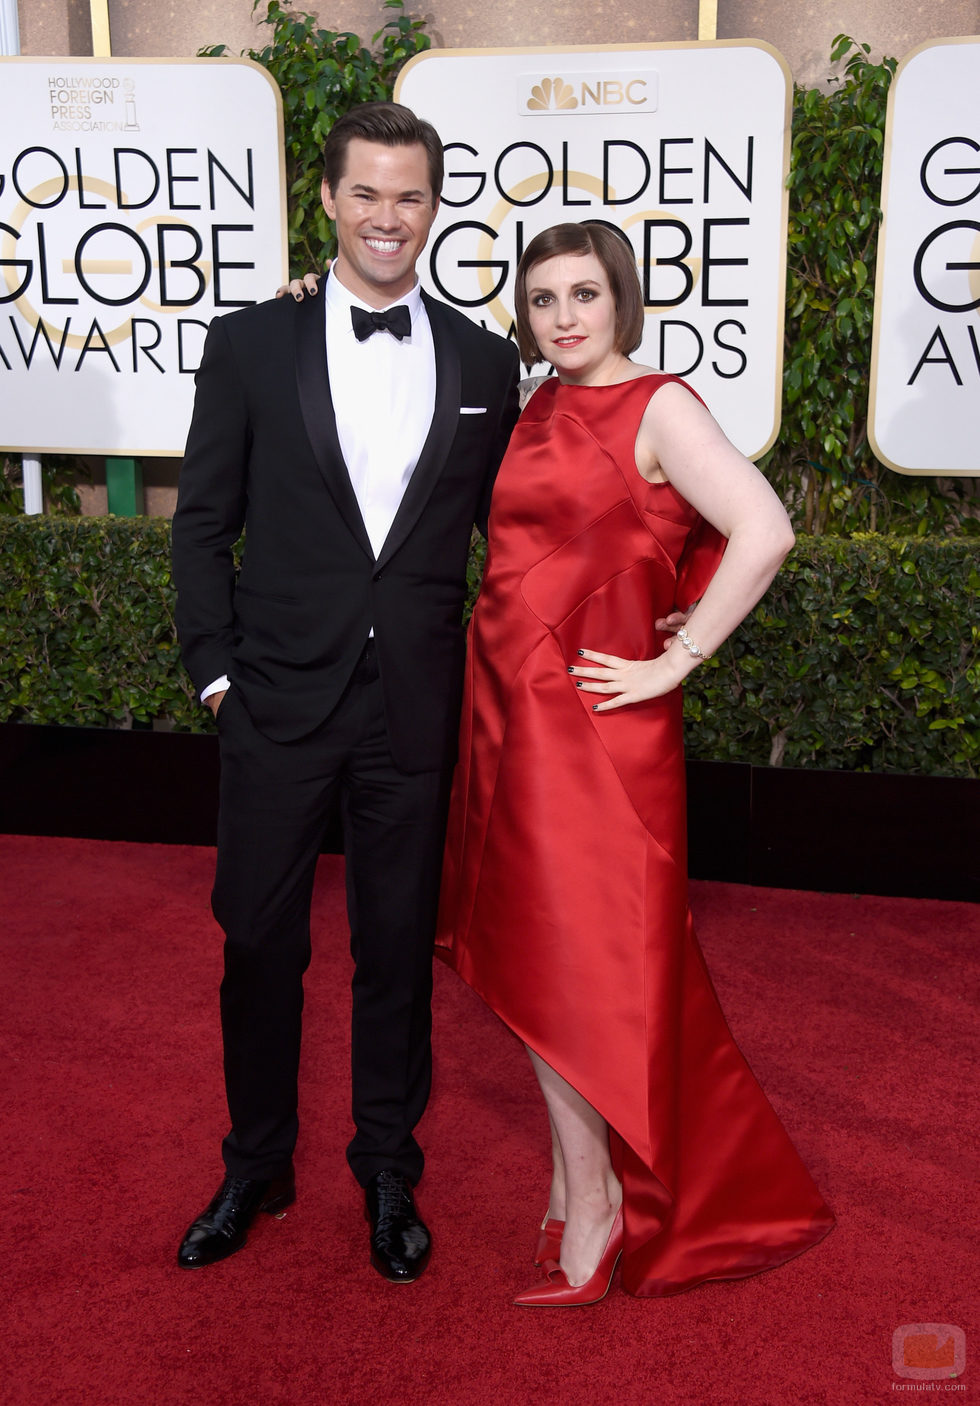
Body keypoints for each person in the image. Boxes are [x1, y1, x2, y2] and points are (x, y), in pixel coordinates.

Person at [434, 221, 835, 1304]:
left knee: (586, 971)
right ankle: (586, 1179)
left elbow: (762, 527)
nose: (562, 317)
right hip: (506, 721)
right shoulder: (535, 405)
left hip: (599, 740)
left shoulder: (658, 403)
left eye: (584, 295)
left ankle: (601, 1198)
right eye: (542, 299)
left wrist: (680, 659)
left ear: (623, 302)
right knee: (523, 960)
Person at [170, 101, 520, 1282]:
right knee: (258, 938)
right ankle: (256, 1160)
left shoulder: (482, 360)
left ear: (434, 207)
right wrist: (217, 676)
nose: (387, 216)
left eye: (409, 196)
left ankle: (386, 1168)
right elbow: (201, 525)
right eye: (365, 192)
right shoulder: (249, 342)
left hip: (410, 711)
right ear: (325, 199)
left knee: (392, 951)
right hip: (271, 699)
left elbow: (513, 537)